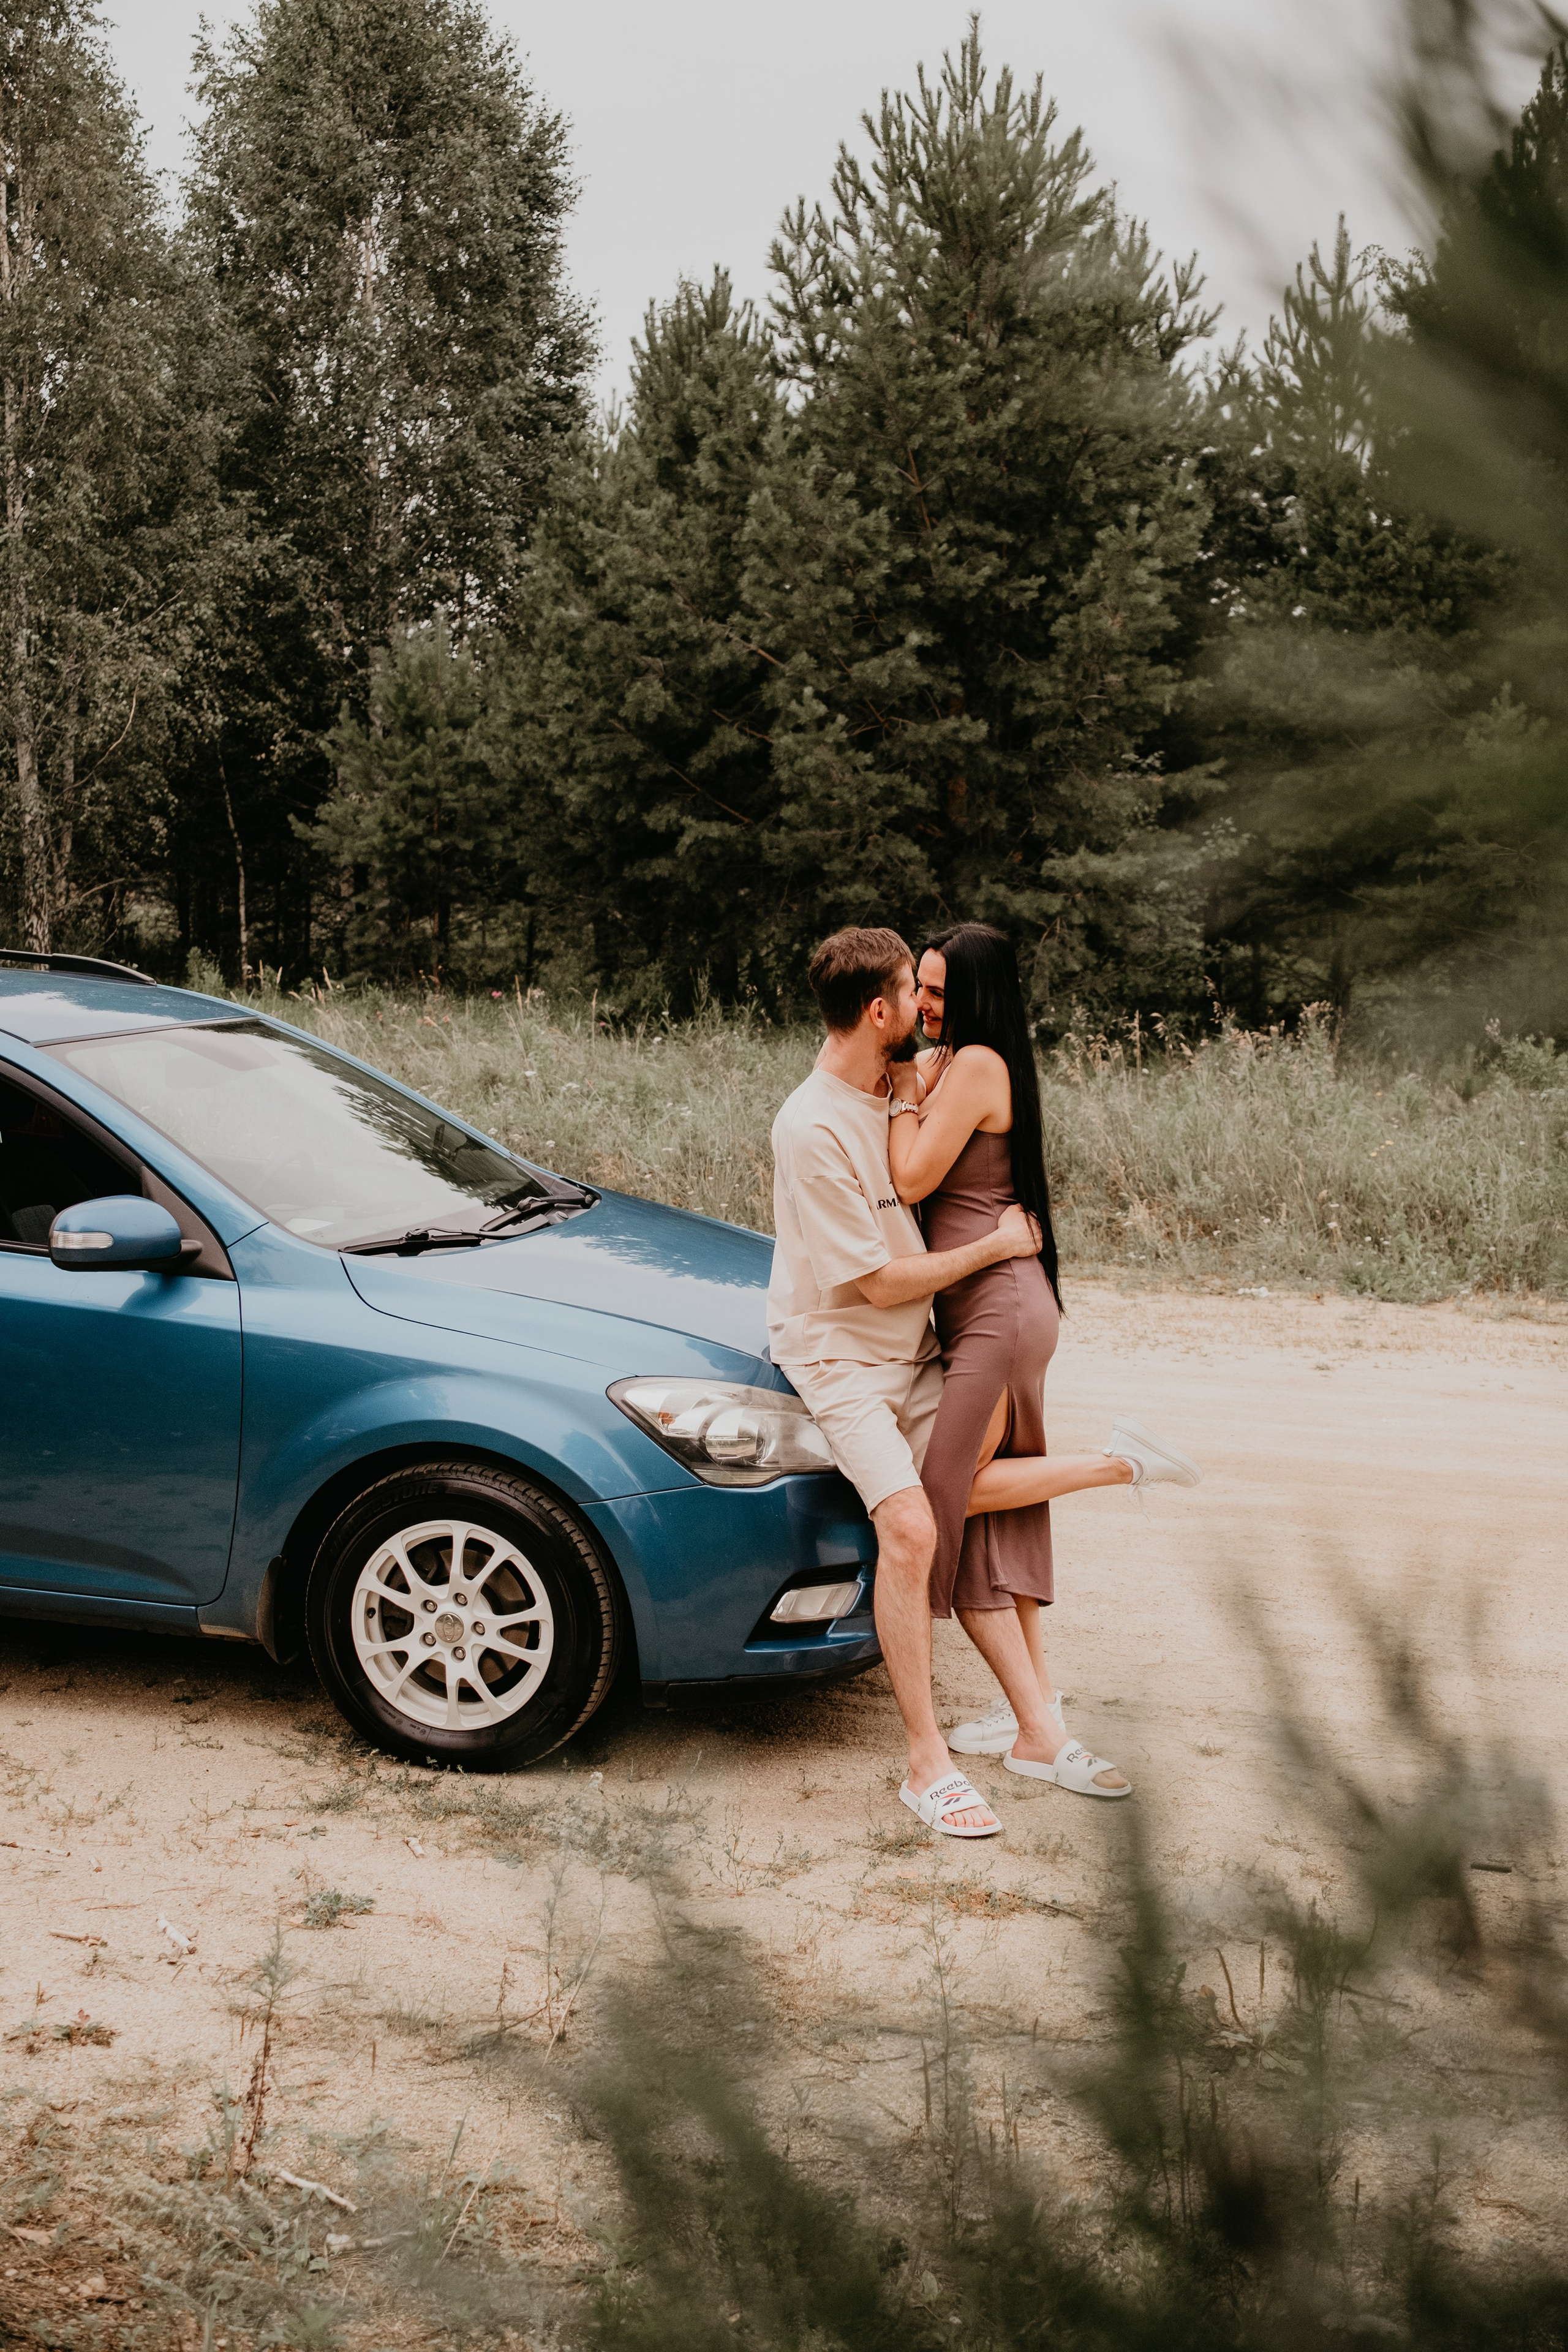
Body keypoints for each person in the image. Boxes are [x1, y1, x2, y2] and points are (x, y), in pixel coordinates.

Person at [887, 922, 1200, 1801]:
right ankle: (1031, 1714)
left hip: (999, 1307)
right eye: (921, 986)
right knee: (991, 1511)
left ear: (978, 994)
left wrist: (903, 1088)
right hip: (993, 1302)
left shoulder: (977, 1063)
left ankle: (1120, 1461)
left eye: (940, 989)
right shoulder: (952, 1060)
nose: (925, 1002)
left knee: (944, 1494)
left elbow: (911, 1178)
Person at [767, 925, 1041, 1840]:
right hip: (842, 1357)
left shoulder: (900, 1079)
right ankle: (928, 1764)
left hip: (910, 1352)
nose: (927, 1015)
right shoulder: (809, 1128)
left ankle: (1038, 1720)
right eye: (911, 1000)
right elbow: (878, 1282)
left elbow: (939, 1099)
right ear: (876, 1011)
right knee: (915, 1522)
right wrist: (995, 1249)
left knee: (979, 1475)